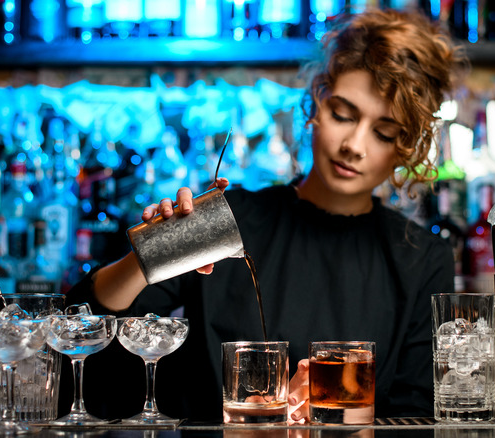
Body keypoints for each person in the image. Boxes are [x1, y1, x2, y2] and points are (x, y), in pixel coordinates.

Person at [67, 7, 467, 423]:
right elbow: (82, 327)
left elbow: (418, 416)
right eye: (343, 115)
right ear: (316, 101)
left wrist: (329, 412)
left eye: (384, 132)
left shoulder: (421, 258)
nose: (355, 145)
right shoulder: (231, 219)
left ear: (407, 147)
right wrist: (152, 251)